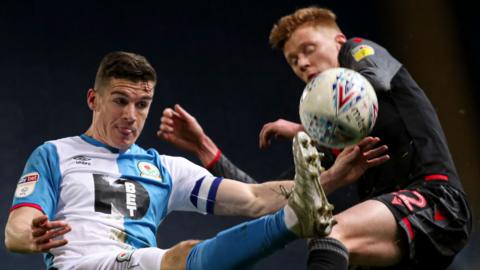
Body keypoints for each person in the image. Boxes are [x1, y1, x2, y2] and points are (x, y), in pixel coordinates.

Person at [4, 51, 388, 270]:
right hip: (83, 266)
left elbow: (255, 198)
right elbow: (15, 232)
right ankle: (292, 222)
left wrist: (331, 178)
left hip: (138, 263)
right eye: (120, 100)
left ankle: (296, 215)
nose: (132, 115)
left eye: (142, 104)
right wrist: (33, 235)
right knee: (179, 257)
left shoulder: (166, 170)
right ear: (94, 99)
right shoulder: (55, 154)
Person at [158, 6, 472, 269]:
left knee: (333, 234)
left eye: (308, 50)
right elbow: (267, 197)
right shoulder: (331, 141)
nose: (303, 63)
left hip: (437, 202)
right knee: (330, 249)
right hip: (397, 230)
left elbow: (366, 89)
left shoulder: (360, 52)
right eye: (293, 61)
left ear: (339, 41)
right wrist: (206, 149)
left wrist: (304, 128)